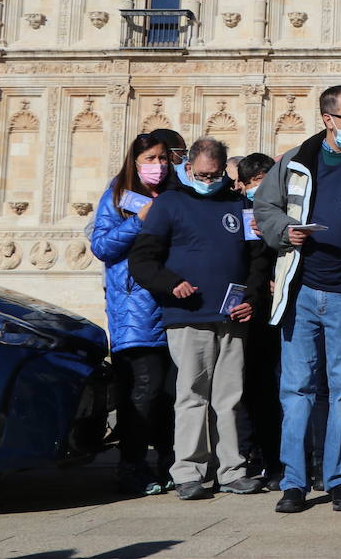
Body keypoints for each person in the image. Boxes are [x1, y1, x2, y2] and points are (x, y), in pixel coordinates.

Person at [254, 85, 341, 514]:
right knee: (297, 389)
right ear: (328, 119)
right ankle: (294, 481)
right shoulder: (296, 161)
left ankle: (340, 479)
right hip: (303, 291)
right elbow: (264, 207)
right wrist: (284, 231)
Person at [128, 137, 271, 501]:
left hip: (231, 316)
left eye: (216, 174)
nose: (209, 181)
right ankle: (189, 472)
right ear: (189, 168)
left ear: (225, 171)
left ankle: (232, 470)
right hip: (187, 316)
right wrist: (171, 284)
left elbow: (257, 260)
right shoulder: (170, 204)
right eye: (202, 174)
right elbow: (143, 260)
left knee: (230, 396)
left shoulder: (238, 204)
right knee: (191, 394)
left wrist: (252, 298)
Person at [91, 133, 175, 496]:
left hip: (173, 301)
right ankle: (132, 465)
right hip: (134, 306)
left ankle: (170, 463)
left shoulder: (175, 193)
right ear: (135, 160)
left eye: (163, 158)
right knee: (143, 388)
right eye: (150, 158)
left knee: (171, 391)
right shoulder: (117, 195)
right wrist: (138, 220)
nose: (157, 165)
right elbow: (101, 245)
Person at [233, 152, 283, 484]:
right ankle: (249, 453)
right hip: (248, 309)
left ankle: (275, 455)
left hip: (273, 312)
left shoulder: (282, 213)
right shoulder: (238, 215)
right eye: (254, 185)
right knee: (248, 386)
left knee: (273, 387)